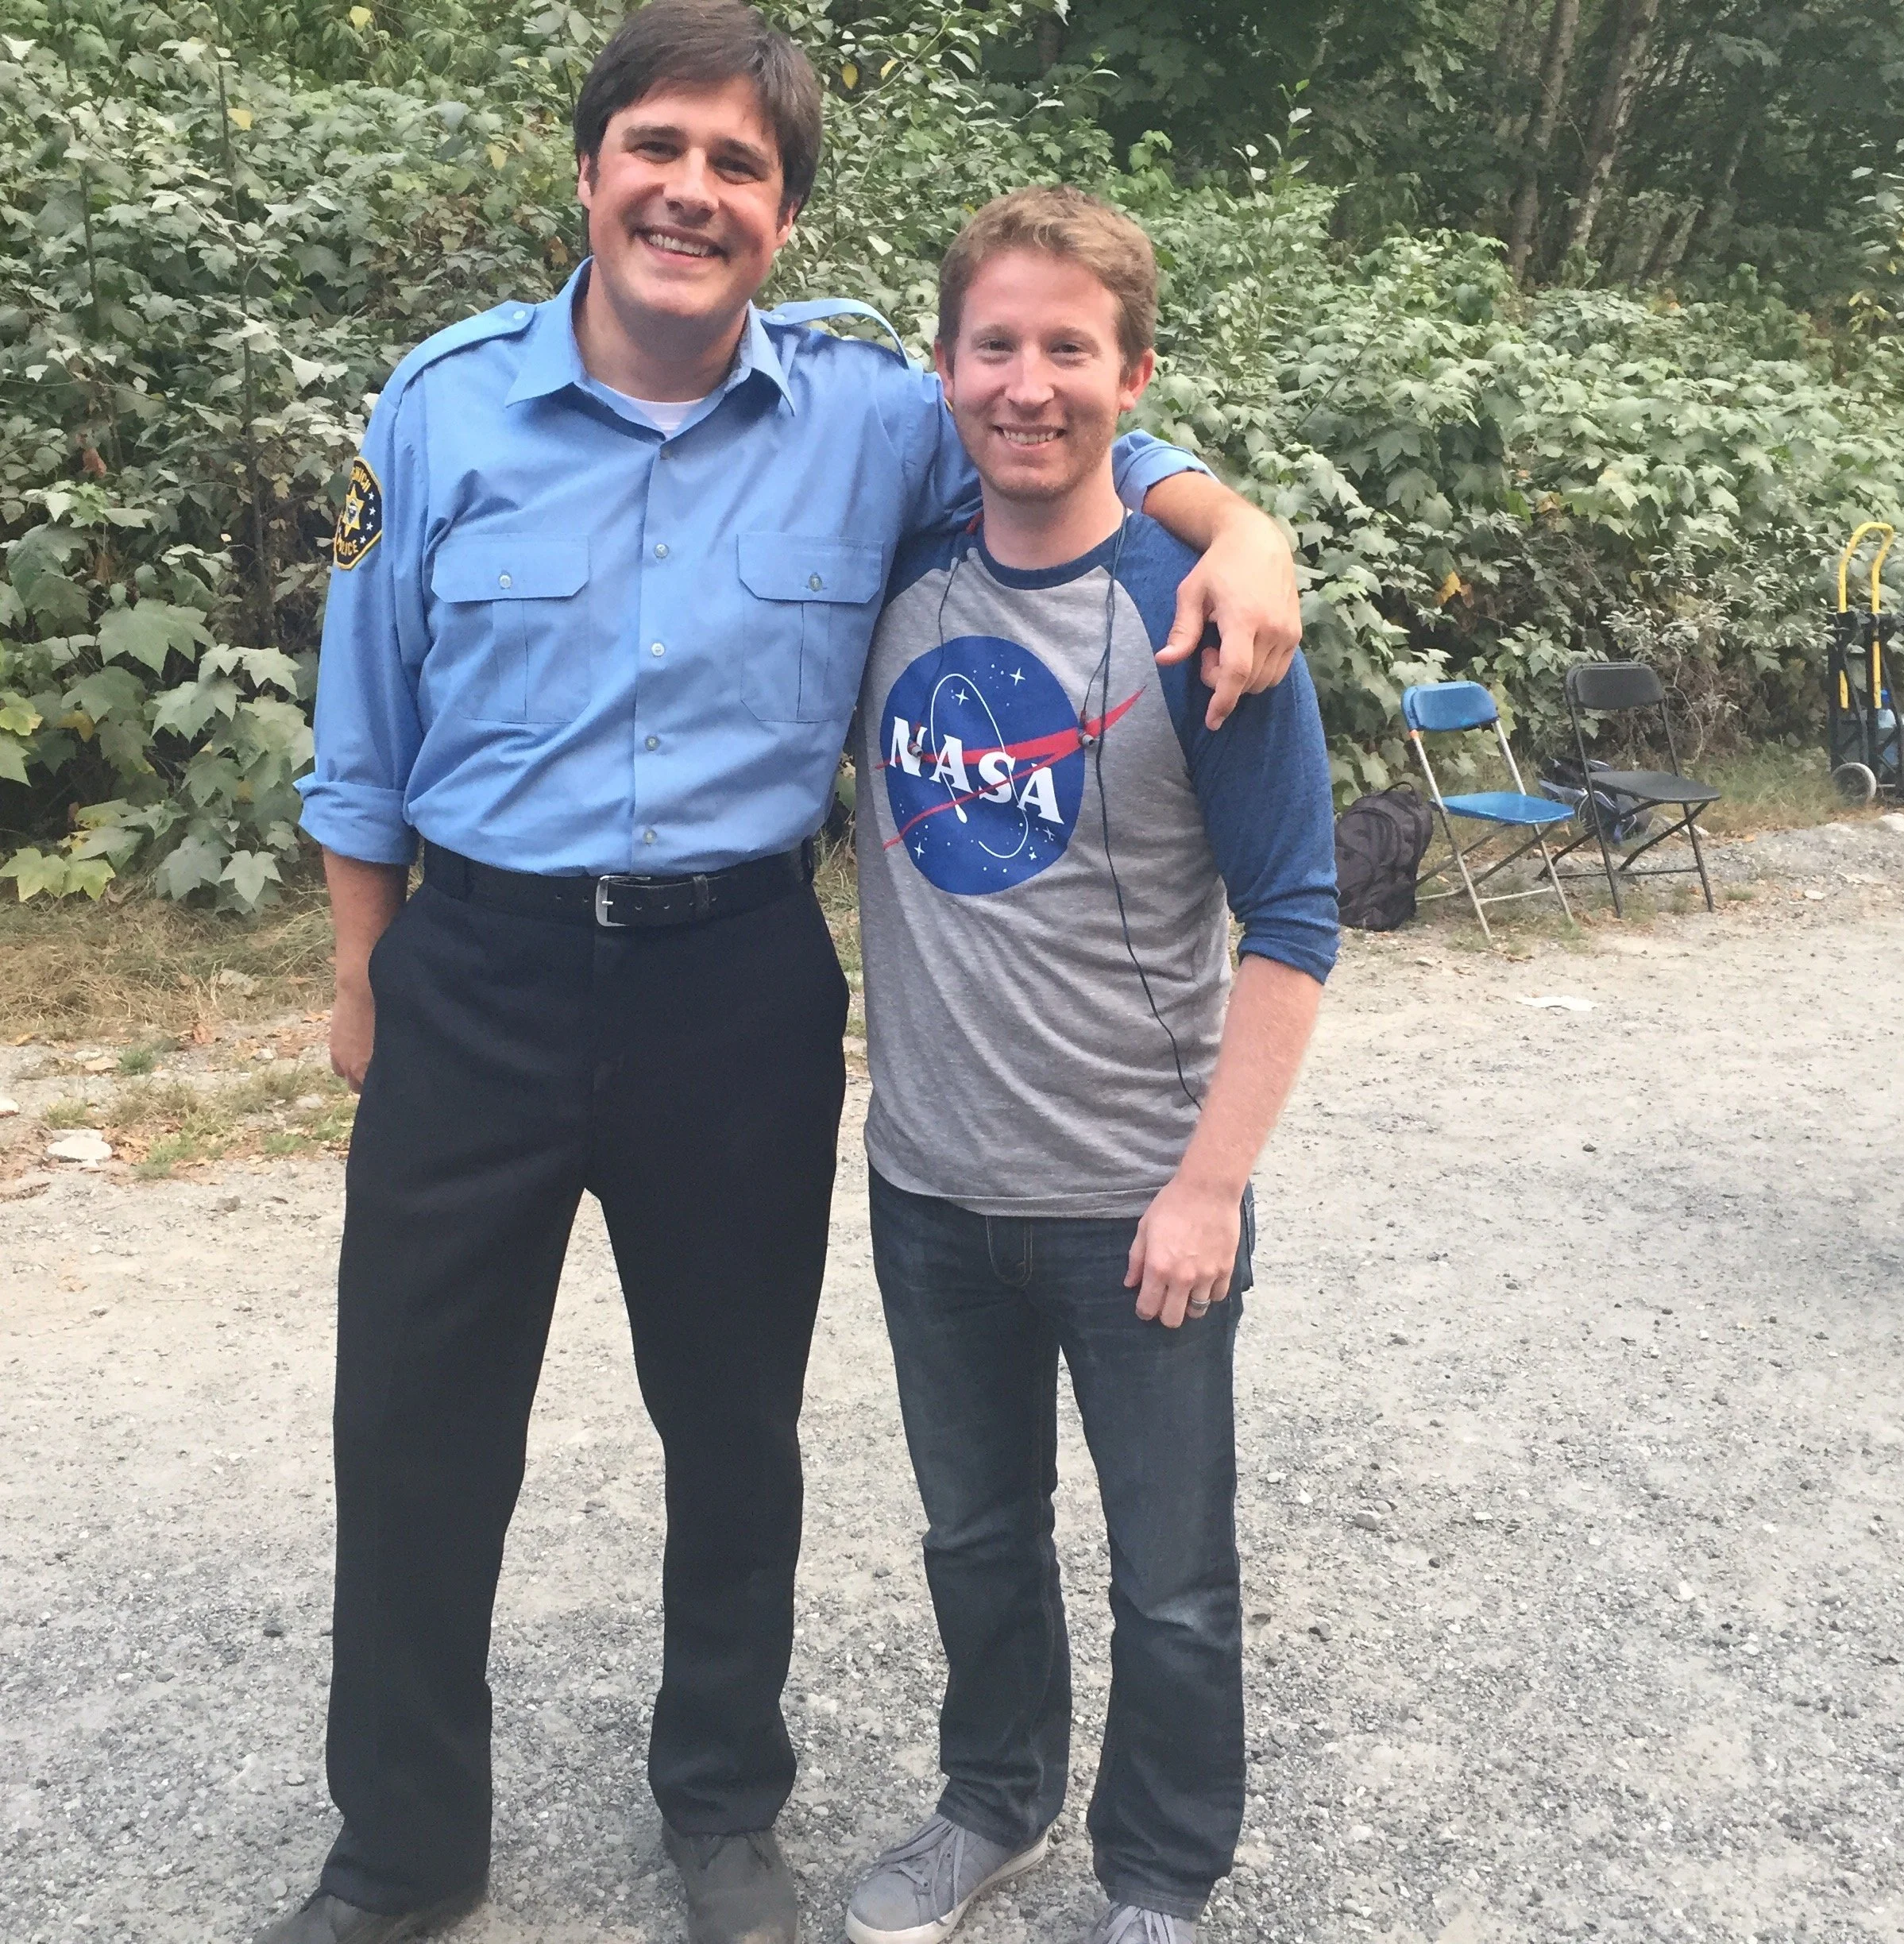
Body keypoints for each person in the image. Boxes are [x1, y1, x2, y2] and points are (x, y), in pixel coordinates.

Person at [260, 2, 1305, 1941]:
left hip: (732, 982)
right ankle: (399, 1847)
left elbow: (1060, 408)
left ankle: (722, 1812)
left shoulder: (864, 416)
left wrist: (1237, 524)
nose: (691, 190)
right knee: (412, 1429)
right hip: (471, 968)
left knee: (729, 1430)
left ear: (784, 219)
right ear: (586, 175)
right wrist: (360, 974)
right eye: (657, 147)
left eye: (740, 165)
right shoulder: (436, 405)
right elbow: (364, 718)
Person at [843, 187, 1338, 1944]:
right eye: (996, 344)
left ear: (1133, 375)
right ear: (943, 366)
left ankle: (1158, 1873)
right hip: (926, 1187)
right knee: (973, 1540)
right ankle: (991, 1802)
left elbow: (1292, 918)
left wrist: (1208, 1183)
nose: (1028, 381)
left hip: (1138, 1201)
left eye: (1070, 348)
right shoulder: (893, 578)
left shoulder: (1205, 614)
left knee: (1172, 1583)